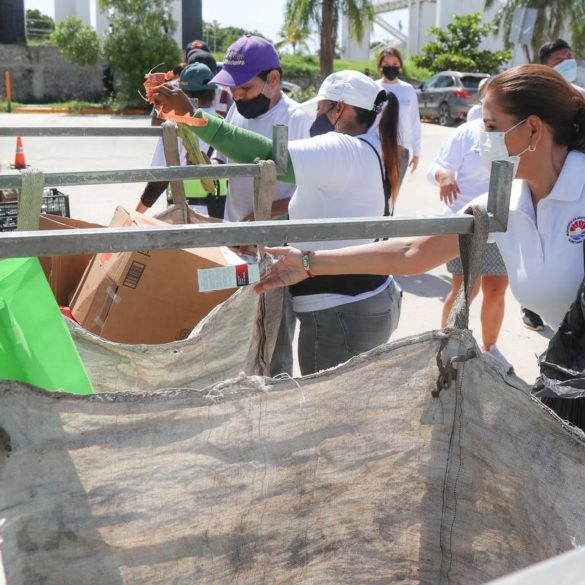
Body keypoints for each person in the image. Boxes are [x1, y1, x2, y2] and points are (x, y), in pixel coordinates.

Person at [256, 64, 585, 379]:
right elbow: (413, 251)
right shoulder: (504, 203)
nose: (480, 139)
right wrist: (309, 263)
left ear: (533, 129)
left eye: (491, 127)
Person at [153, 69, 404, 376]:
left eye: (322, 109)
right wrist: (270, 229)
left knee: (329, 414)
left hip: (339, 314)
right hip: (368, 298)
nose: (317, 119)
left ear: (340, 109)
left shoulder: (342, 149)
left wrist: (195, 117)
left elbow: (269, 156)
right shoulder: (374, 147)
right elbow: (323, 214)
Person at [427, 115, 512, 372]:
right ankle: (446, 346)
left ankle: (490, 348)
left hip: (502, 222)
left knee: (496, 290)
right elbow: (438, 167)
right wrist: (445, 177)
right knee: (466, 290)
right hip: (465, 221)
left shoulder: (517, 130)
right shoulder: (466, 132)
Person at [207, 34, 313, 222]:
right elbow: (221, 158)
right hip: (234, 234)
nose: (237, 95)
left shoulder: (298, 120)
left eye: (246, 88)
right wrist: (208, 168)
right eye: (232, 87)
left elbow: (314, 192)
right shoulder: (236, 110)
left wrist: (263, 212)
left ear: (273, 79)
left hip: (279, 244)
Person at [137, 62, 225, 217]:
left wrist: (136, 214)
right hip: (220, 215)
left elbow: (159, 180)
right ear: (213, 93)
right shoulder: (225, 126)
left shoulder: (176, 128)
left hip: (184, 215)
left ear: (184, 95)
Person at [376, 46, 422, 188]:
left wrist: (417, 152)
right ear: (380, 66)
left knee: (391, 197)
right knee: (376, 194)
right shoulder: (373, 88)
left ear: (400, 67)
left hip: (400, 151)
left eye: (395, 64)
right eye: (387, 65)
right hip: (376, 148)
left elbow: (414, 121)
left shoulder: (407, 90)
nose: (391, 68)